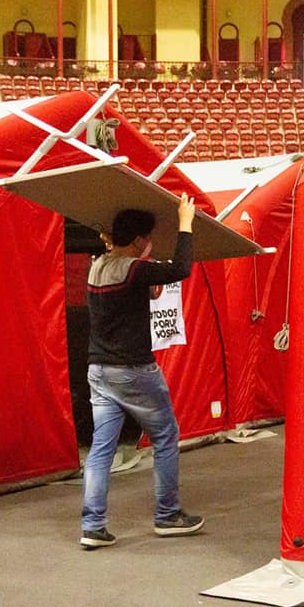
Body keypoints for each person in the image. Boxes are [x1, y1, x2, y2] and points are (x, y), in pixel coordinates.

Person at [80, 192, 204, 550]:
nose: (149, 244)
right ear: (138, 239)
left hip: (98, 372)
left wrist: (112, 242)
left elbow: (127, 289)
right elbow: (181, 269)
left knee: (102, 449)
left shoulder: (97, 266)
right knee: (165, 436)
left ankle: (93, 525)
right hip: (133, 370)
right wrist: (185, 224)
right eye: (146, 239)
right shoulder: (135, 268)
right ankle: (168, 516)